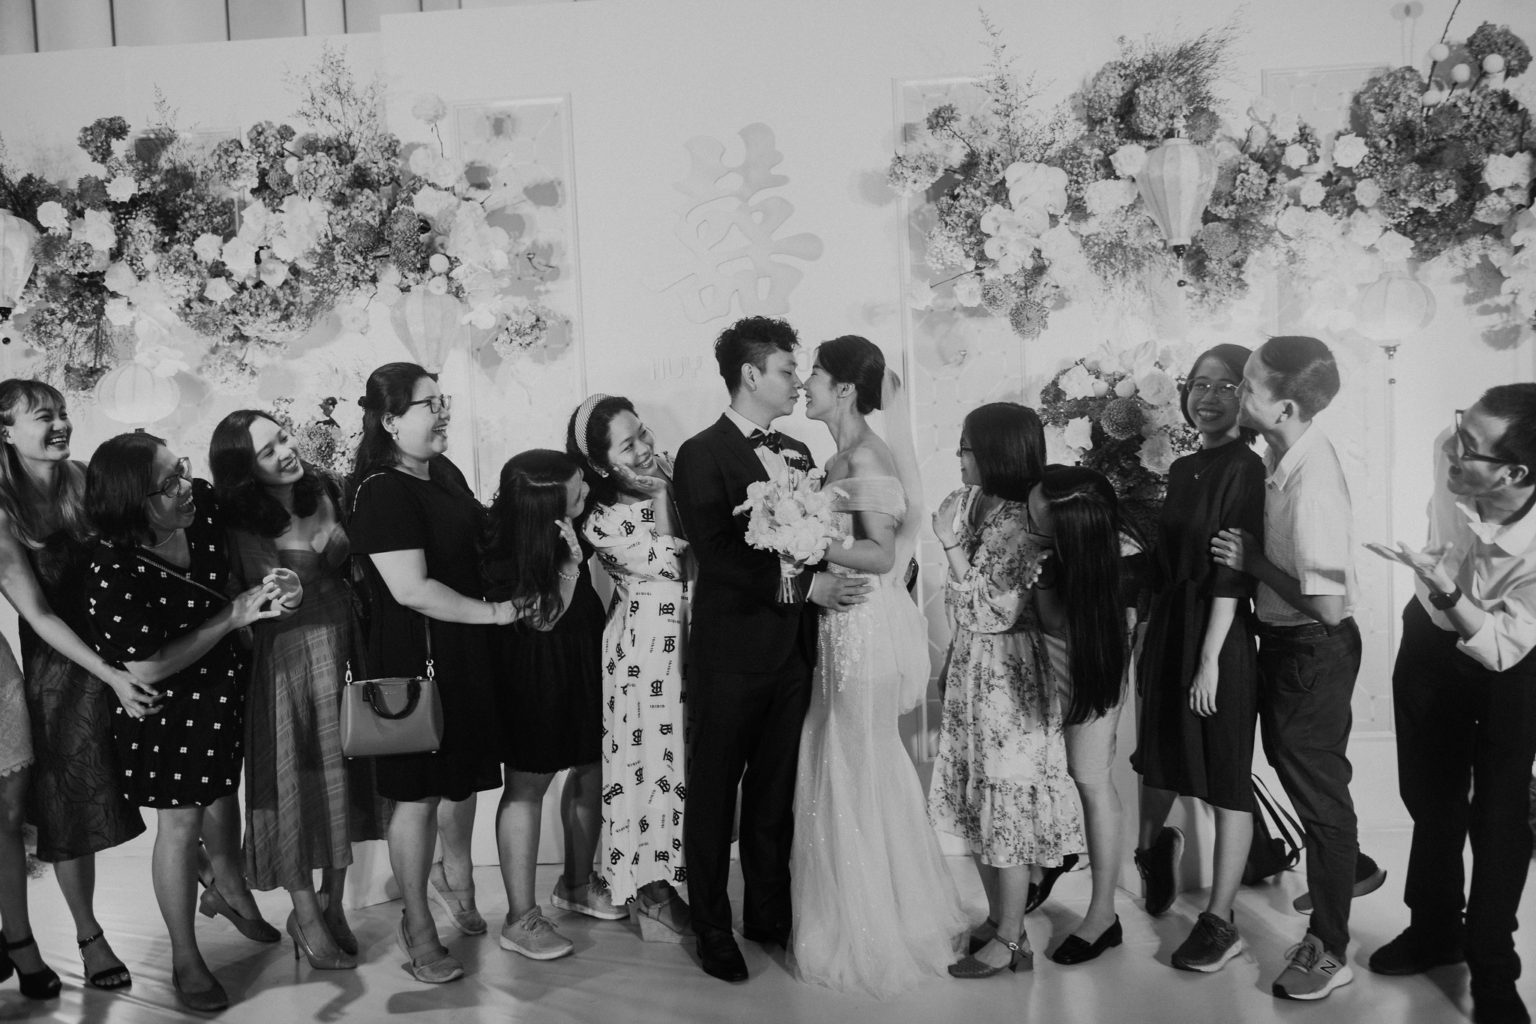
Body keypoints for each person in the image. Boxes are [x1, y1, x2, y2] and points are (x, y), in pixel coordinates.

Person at [672, 315, 868, 984]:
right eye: (787, 371)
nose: (796, 383)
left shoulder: (800, 451)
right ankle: (711, 927)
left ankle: (768, 915)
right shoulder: (701, 453)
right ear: (751, 374)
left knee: (774, 794)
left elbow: (816, 536)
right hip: (731, 653)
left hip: (793, 653)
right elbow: (716, 554)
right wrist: (807, 588)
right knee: (713, 794)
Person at [789, 336, 968, 997]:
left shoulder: (865, 455)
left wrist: (803, 541)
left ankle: (879, 923)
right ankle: (853, 908)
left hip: (862, 627)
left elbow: (882, 555)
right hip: (840, 626)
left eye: (813, 373)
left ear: (843, 388)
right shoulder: (837, 457)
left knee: (859, 759)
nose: (803, 384)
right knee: (843, 754)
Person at [85, 433, 284, 1013]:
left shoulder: (202, 508)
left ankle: (230, 888)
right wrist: (231, 618)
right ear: (133, 502)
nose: (186, 486)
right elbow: (146, 666)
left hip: (221, 687)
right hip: (164, 708)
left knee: (224, 792)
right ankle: (185, 957)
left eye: (183, 470)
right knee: (180, 823)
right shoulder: (111, 566)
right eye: (168, 483)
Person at [1365, 385, 1536, 1024]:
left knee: (1500, 810)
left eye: (1471, 447)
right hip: (1430, 637)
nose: (1452, 450)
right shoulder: (1451, 446)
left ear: (1515, 473)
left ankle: (1493, 968)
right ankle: (1434, 929)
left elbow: (1502, 648)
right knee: (1430, 793)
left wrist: (1446, 590)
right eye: (1460, 430)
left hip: (1512, 656)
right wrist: (1436, 590)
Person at [346, 363, 518, 984]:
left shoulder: (442, 472)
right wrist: (496, 613)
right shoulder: (381, 491)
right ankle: (417, 924)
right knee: (417, 796)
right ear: (391, 421)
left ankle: (457, 882)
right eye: (430, 405)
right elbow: (412, 589)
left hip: (463, 650)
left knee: (459, 783)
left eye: (444, 402)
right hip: (415, 662)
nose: (443, 413)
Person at [1210, 335, 1361, 1001]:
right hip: (1288, 645)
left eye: (1248, 385)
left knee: (1320, 797)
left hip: (1312, 648)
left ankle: (1330, 948)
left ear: (1286, 406)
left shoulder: (1313, 484)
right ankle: (1348, 868)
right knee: (1305, 778)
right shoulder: (1282, 450)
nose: (1236, 392)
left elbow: (1328, 605)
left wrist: (1253, 564)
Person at [210, 410, 386, 970]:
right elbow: (261, 601)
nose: (285, 451)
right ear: (245, 470)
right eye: (267, 451)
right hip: (289, 659)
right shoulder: (243, 523)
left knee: (345, 775)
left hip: (347, 644)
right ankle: (305, 913)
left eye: (283, 437)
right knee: (296, 781)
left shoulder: (326, 488)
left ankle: (334, 904)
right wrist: (282, 593)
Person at [0, 379, 149, 995]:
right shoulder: (4, 510)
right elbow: (38, 616)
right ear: (6, 432)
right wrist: (108, 673)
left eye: (62, 412)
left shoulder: (86, 479)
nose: (60, 423)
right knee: (70, 810)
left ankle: (205, 871)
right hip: (62, 671)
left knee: (156, 771)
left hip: (126, 652)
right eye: (44, 416)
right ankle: (89, 936)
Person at [929, 402, 1082, 979]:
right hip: (974, 666)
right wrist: (953, 657)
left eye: (967, 446)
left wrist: (948, 545)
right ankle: (999, 921)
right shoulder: (972, 503)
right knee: (977, 798)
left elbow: (991, 610)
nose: (959, 456)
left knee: (1006, 799)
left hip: (1009, 674)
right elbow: (964, 607)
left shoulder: (1025, 520)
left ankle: (1013, 940)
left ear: (996, 451)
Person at [1131, 345, 1265, 972]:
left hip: (1219, 632)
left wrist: (1210, 659)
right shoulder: (1184, 467)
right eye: (1199, 384)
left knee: (1226, 776)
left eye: (1225, 385)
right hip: (1171, 627)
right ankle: (1150, 851)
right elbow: (1165, 561)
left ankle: (1220, 921)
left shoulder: (1246, 468)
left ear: (1247, 395)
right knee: (1158, 752)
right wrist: (1145, 627)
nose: (1207, 397)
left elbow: (1233, 572)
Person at [483, 448, 621, 961]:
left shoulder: (570, 521)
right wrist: (568, 567)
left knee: (591, 769)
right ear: (544, 505)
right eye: (576, 486)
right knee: (528, 785)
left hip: (582, 656)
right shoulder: (505, 547)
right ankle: (520, 918)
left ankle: (577, 885)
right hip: (534, 670)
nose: (586, 490)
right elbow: (542, 620)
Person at [568, 396, 692, 942]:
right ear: (600, 464)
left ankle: (681, 880)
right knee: (647, 770)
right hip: (644, 654)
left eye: (643, 433)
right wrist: (663, 495)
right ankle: (652, 891)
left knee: (687, 769)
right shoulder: (601, 521)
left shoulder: (681, 475)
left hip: (693, 642)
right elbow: (673, 563)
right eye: (627, 445)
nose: (644, 448)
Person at [1029, 465, 1136, 968]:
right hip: (1042, 660)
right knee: (1042, 772)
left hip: (1094, 666)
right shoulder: (1053, 548)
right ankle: (1049, 860)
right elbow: (1051, 621)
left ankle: (1103, 914)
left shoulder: (1127, 561)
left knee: (1090, 778)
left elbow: (1067, 625)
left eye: (1037, 517)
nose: (1029, 522)